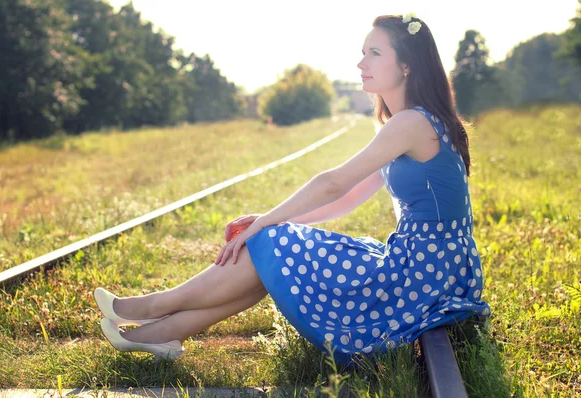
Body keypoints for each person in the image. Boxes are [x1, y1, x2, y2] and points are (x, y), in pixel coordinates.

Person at [94, 13, 492, 365]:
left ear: (406, 65)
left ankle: (151, 308)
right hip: (432, 265)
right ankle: (160, 331)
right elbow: (351, 197)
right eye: (362, 52)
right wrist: (268, 222)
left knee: (274, 245)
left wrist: (267, 221)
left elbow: (334, 183)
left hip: (423, 272)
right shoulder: (408, 122)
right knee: (271, 256)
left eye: (374, 53)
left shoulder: (411, 124)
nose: (360, 63)